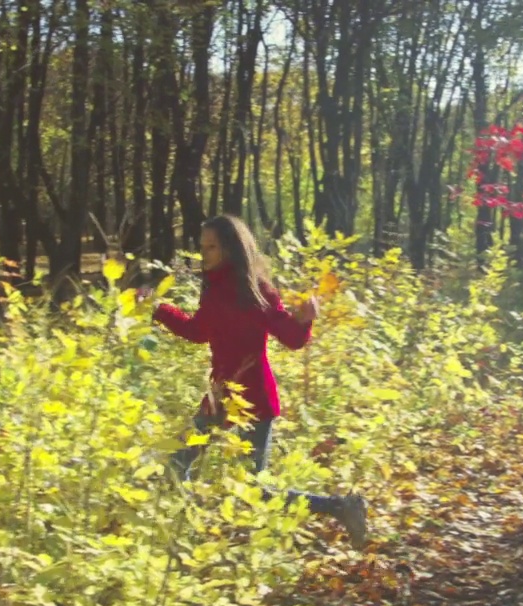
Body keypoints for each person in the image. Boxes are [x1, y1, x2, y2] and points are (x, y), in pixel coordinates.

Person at [145, 214, 368, 550]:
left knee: (255, 490)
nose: (204, 253)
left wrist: (305, 320)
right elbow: (197, 332)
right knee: (177, 465)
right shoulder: (214, 288)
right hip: (220, 395)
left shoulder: (256, 290)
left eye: (211, 247)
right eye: (201, 247)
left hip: (255, 400)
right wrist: (159, 309)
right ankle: (187, 539)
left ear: (231, 249)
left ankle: (342, 507)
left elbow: (291, 338)